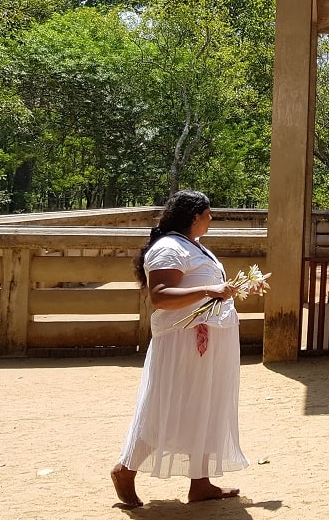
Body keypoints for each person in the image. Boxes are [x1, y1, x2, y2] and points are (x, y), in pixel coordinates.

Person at [112, 190, 250, 508]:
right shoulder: (169, 248)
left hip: (209, 340)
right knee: (168, 405)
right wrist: (209, 289)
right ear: (193, 217)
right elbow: (159, 295)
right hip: (182, 343)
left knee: (203, 405)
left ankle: (200, 482)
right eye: (208, 214)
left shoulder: (193, 247)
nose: (212, 219)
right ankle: (126, 468)